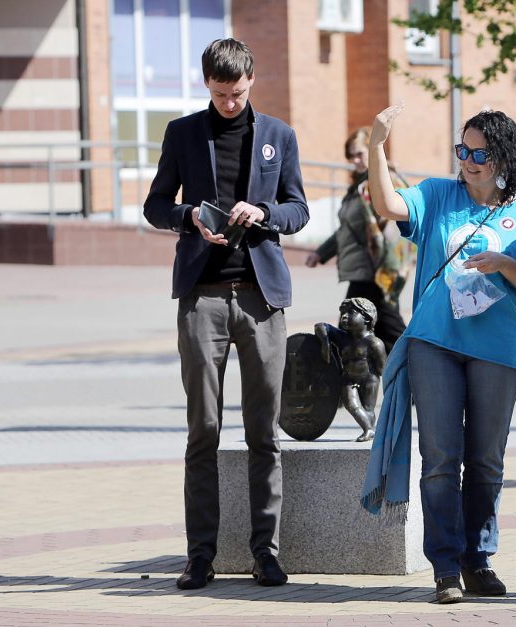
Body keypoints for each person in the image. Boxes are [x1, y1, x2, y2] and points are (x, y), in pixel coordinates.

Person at [367, 104, 516, 604]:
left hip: (496, 349)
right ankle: (446, 567)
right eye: (462, 150)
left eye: (479, 153)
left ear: (503, 157)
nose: (467, 161)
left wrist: (503, 263)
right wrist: (377, 145)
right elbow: (387, 205)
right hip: (435, 343)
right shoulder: (436, 194)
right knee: (441, 458)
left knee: (487, 460)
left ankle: (478, 559)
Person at [143, 38, 309, 591]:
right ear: (205, 84)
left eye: (236, 93)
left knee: (264, 432)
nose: (229, 104)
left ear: (251, 81)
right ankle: (200, 556)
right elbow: (155, 204)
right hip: (203, 295)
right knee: (204, 430)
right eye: (219, 94)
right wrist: (189, 215)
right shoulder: (183, 133)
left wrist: (262, 213)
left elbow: (298, 209)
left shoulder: (280, 136)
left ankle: (266, 553)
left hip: (261, 298)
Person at [305, 127, 411, 354]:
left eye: (360, 154)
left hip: (378, 273)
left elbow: (396, 228)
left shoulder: (382, 182)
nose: (355, 160)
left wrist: (386, 271)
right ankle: (398, 375)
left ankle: (421, 369)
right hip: (365, 271)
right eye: (351, 155)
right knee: (369, 333)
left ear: (374, 151)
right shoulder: (360, 185)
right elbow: (347, 228)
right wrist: (321, 253)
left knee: (359, 329)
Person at [315, 297, 387, 442]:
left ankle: (369, 430)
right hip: (348, 378)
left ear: (367, 318)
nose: (344, 316)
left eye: (350, 313)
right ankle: (369, 429)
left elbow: (383, 368)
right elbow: (320, 326)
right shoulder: (342, 338)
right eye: (343, 313)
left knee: (368, 410)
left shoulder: (374, 343)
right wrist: (325, 342)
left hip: (369, 380)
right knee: (352, 404)